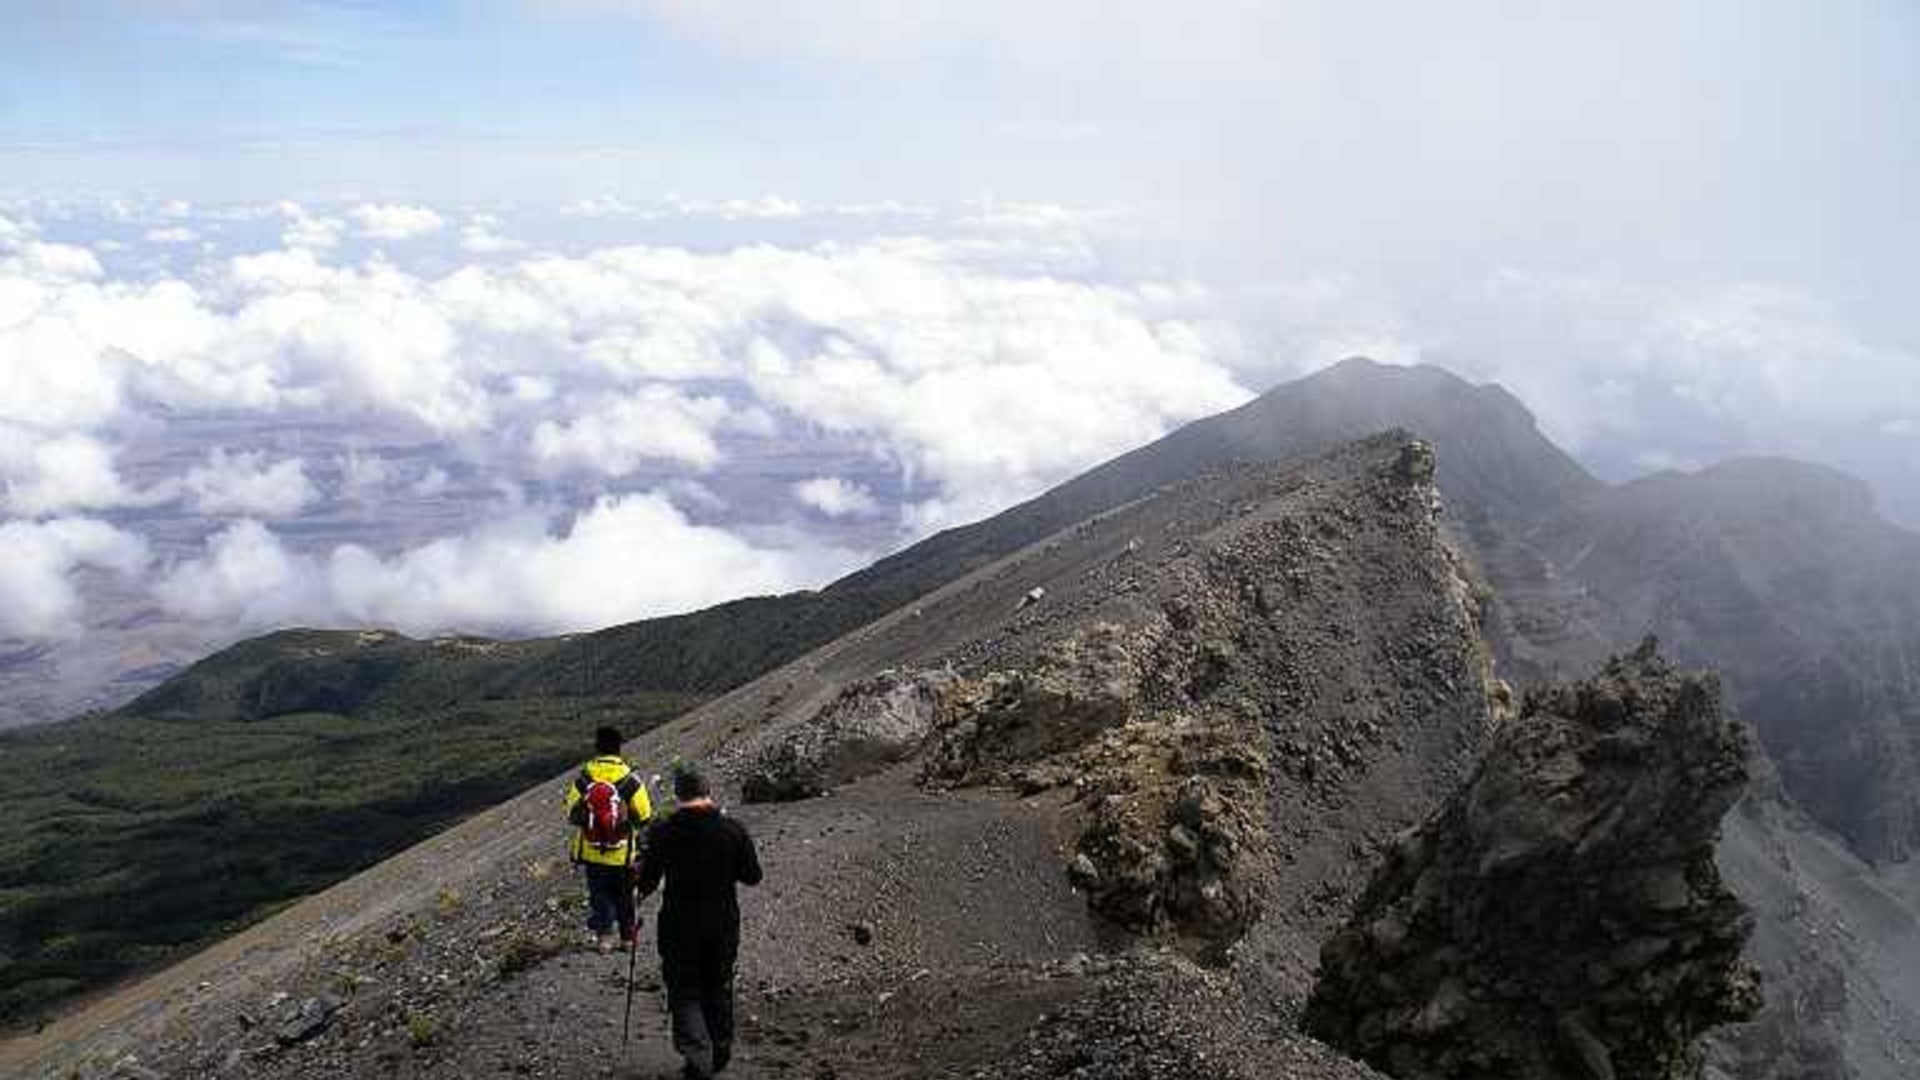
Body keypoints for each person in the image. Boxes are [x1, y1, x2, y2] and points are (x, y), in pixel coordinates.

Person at [636, 764, 763, 1079]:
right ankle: (720, 1048)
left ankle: (697, 1057)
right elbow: (752, 876)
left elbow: (648, 880)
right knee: (718, 985)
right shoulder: (732, 830)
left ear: (678, 796)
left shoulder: (664, 832)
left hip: (678, 925)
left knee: (684, 990)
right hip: (722, 924)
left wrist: (634, 894)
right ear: (709, 793)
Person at [563, 725, 653, 953]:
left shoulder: (584, 779)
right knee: (625, 896)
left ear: (597, 748)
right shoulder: (630, 780)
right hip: (622, 853)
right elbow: (645, 814)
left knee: (599, 895)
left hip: (591, 851)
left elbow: (571, 812)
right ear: (619, 748)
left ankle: (604, 939)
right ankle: (627, 939)